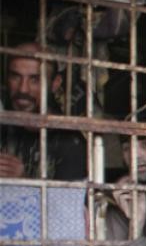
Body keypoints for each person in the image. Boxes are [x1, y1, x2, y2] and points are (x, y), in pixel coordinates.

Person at [1, 42, 86, 180]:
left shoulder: (69, 141)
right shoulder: (3, 125)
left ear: (55, 84)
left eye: (35, 79)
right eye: (15, 76)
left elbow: (69, 194)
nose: (23, 89)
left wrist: (23, 180)